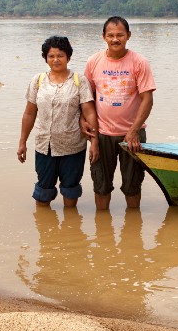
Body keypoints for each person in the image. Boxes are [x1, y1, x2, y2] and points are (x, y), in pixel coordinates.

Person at [83, 16, 156, 210]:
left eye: (120, 35)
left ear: (128, 36)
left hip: (132, 134)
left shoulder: (139, 62)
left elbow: (147, 99)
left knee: (132, 185)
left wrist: (133, 131)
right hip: (102, 134)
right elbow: (86, 98)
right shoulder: (93, 62)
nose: (115, 39)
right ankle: (103, 232)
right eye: (111, 35)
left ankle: (132, 231)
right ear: (104, 37)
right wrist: (84, 121)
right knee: (101, 185)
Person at [18, 36, 99, 207]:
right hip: (44, 146)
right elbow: (29, 113)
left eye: (60, 55)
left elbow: (89, 112)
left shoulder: (79, 81)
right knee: (43, 192)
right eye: (51, 56)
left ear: (68, 57)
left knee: (70, 190)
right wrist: (22, 142)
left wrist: (95, 142)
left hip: (73, 146)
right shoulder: (38, 80)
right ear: (45, 58)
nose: (56, 60)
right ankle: (45, 230)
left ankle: (70, 228)